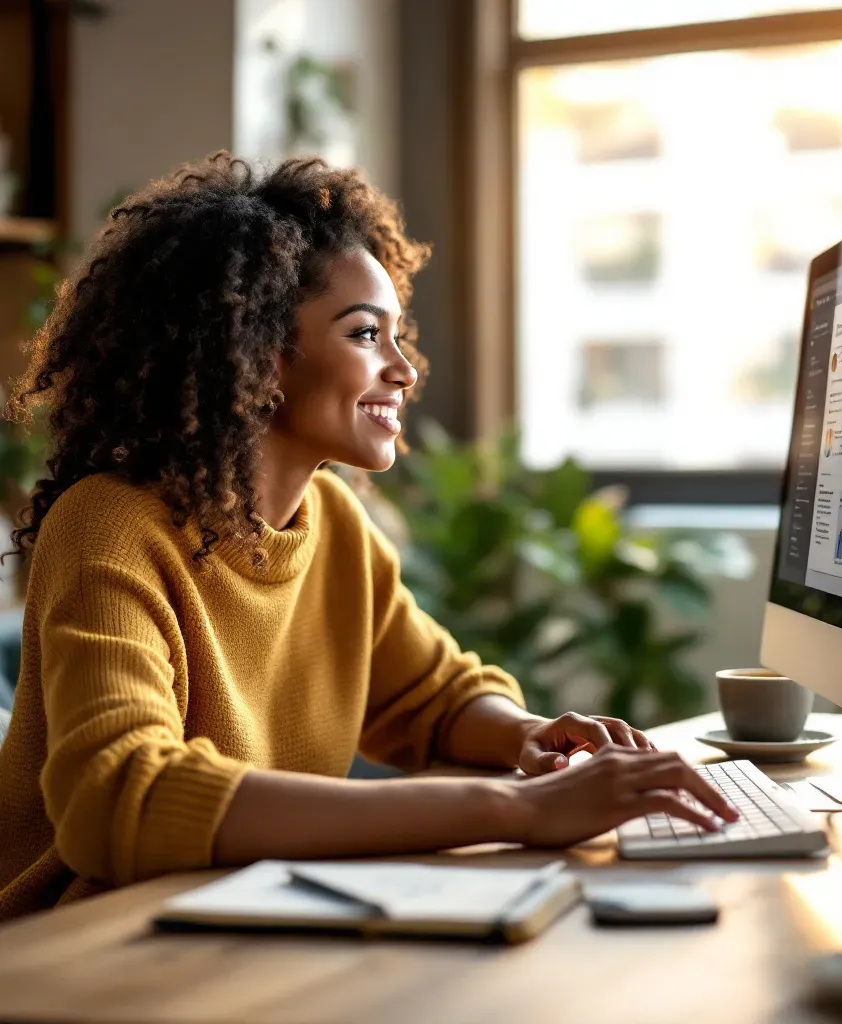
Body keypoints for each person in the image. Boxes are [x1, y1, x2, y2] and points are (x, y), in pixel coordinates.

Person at [0, 154, 735, 921]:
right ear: (256, 354)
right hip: (81, 940)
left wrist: (529, 737)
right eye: (365, 335)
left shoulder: (334, 522)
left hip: (238, 921)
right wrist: (516, 809)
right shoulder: (110, 525)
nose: (404, 370)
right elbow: (120, 796)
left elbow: (434, 699)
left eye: (396, 335)